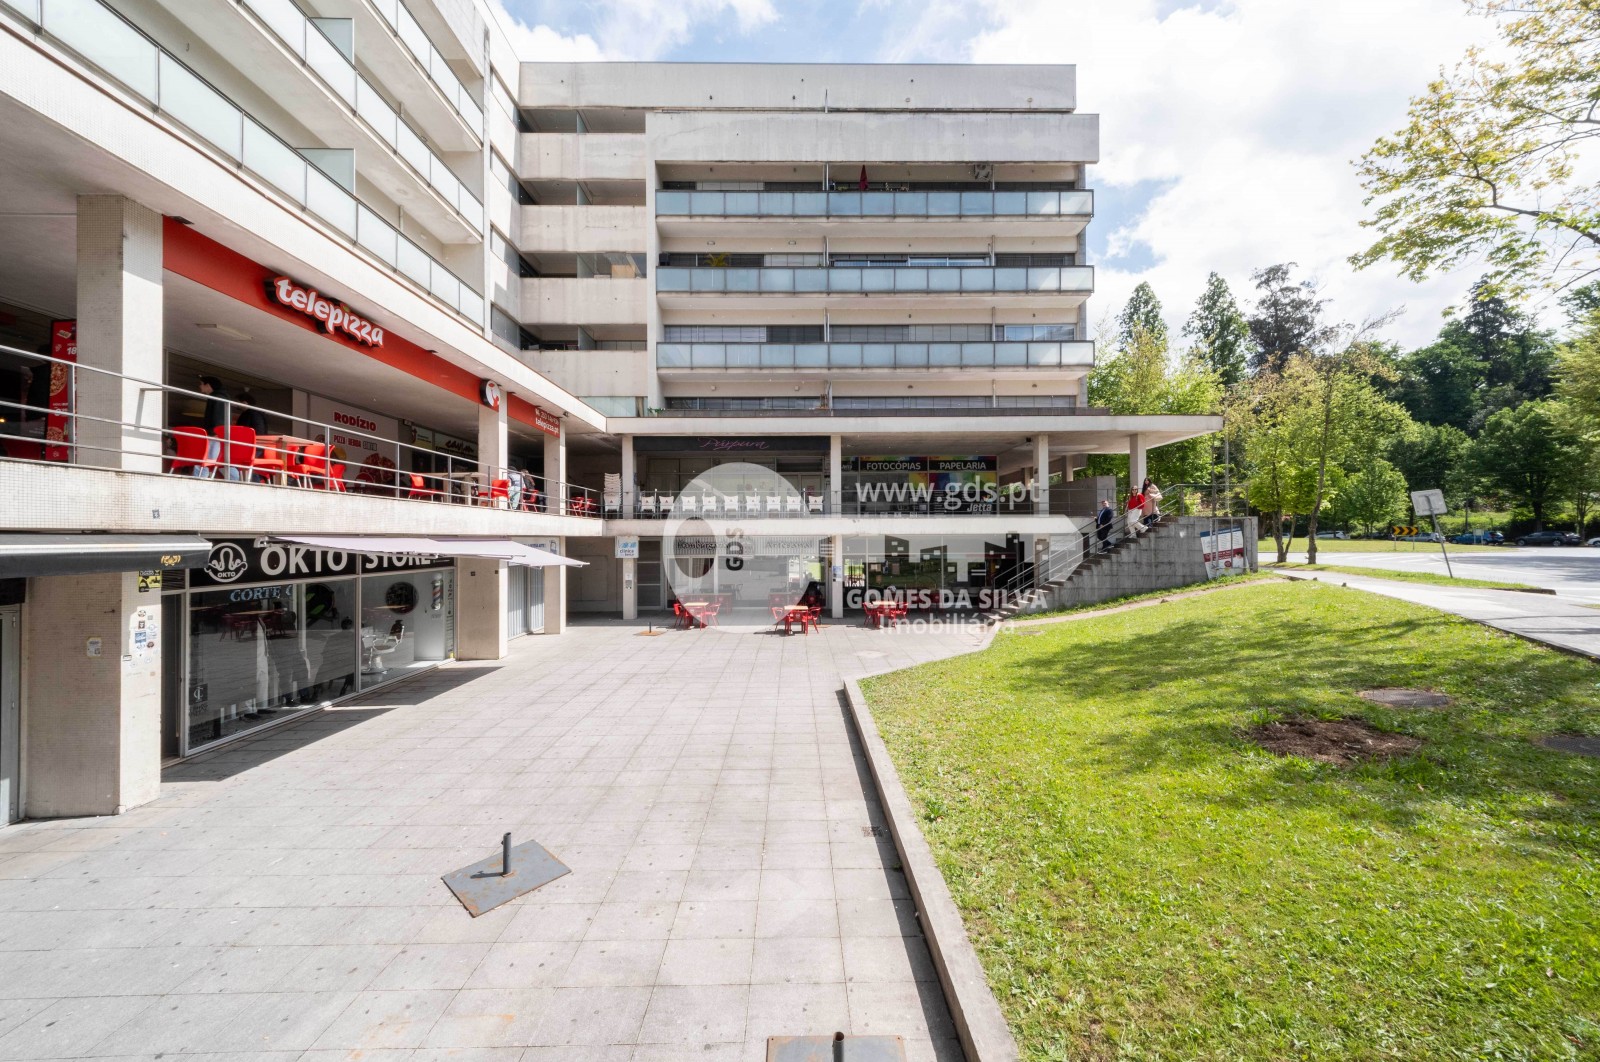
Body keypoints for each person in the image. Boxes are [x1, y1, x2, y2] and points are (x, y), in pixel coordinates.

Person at [197, 376, 231, 478]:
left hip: (215, 434)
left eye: (201, 384)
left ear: (208, 385)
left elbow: (218, 416)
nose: (199, 386)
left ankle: (199, 480)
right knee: (218, 460)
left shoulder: (218, 397)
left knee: (207, 459)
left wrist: (214, 432)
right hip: (218, 433)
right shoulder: (220, 396)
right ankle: (236, 479)